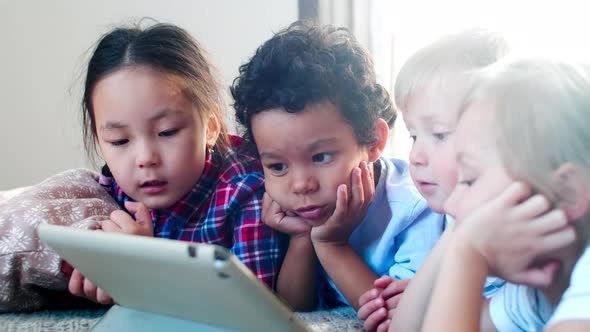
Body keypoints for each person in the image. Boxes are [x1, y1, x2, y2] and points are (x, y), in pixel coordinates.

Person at [231, 21, 444, 312]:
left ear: (373, 141)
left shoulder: (415, 209)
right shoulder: (294, 213)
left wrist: (332, 244)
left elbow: (403, 318)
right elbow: (293, 313)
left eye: (320, 158)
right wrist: (302, 239)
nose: (301, 184)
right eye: (278, 166)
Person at [67, 22, 285, 304]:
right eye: (119, 141)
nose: (145, 159)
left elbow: (253, 307)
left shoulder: (246, 193)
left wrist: (148, 270)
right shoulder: (109, 189)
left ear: (209, 128)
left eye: (167, 132)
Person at [358, 29, 510, 332]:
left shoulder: (533, 247)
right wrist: (423, 294)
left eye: (439, 134)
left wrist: (434, 299)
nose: (415, 156)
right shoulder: (457, 225)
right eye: (414, 136)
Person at [422, 58, 589, 331]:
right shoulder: (535, 295)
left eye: (470, 180)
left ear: (567, 192)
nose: (451, 204)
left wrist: (468, 256)